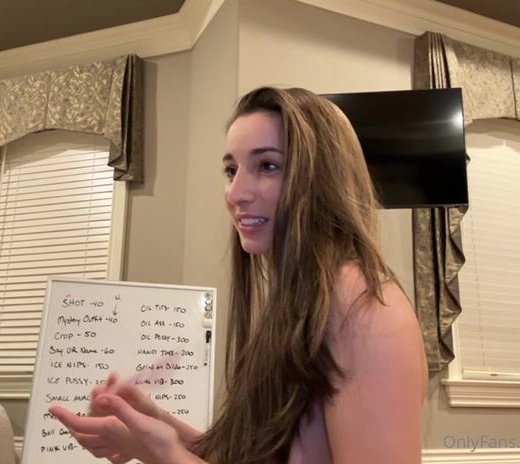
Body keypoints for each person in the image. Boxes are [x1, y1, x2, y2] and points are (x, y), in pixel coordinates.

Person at [50, 87, 428, 463]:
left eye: (267, 166)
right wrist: (154, 424)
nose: (235, 193)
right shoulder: (297, 304)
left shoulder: (360, 305)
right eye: (231, 170)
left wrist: (163, 453)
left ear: (323, 178)